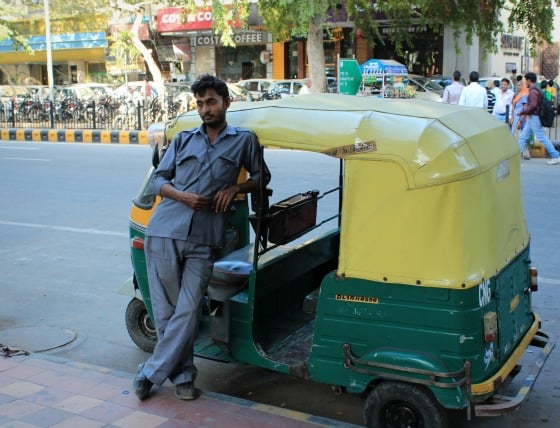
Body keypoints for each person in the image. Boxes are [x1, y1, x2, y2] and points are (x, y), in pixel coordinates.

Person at [133, 74, 271, 401]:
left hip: (206, 238)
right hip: (165, 230)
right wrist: (182, 197)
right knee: (166, 314)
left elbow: (261, 176)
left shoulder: (243, 140)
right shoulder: (182, 140)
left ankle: (150, 373)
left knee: (191, 309)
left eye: (211, 102)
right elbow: (159, 181)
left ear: (226, 103)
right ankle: (182, 377)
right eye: (199, 103)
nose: (205, 109)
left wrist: (236, 187)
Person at [517, 72, 560, 165]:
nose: (525, 83)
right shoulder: (536, 89)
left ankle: (555, 155)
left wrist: (523, 112)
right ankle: (516, 157)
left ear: (529, 80)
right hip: (533, 116)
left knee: (541, 137)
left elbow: (533, 105)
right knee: (523, 136)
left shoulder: (533, 91)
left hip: (534, 116)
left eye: (525, 81)